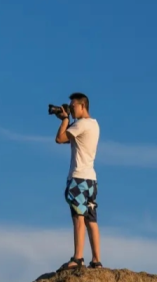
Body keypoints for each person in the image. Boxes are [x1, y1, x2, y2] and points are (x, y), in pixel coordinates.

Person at [54, 92, 102, 271]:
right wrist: (68, 120)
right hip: (91, 179)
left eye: (73, 106)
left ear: (82, 106)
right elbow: (72, 139)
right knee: (91, 219)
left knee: (78, 217)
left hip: (79, 177)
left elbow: (60, 139)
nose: (71, 109)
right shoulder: (94, 125)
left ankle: (78, 257)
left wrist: (64, 120)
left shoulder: (80, 124)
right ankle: (96, 260)